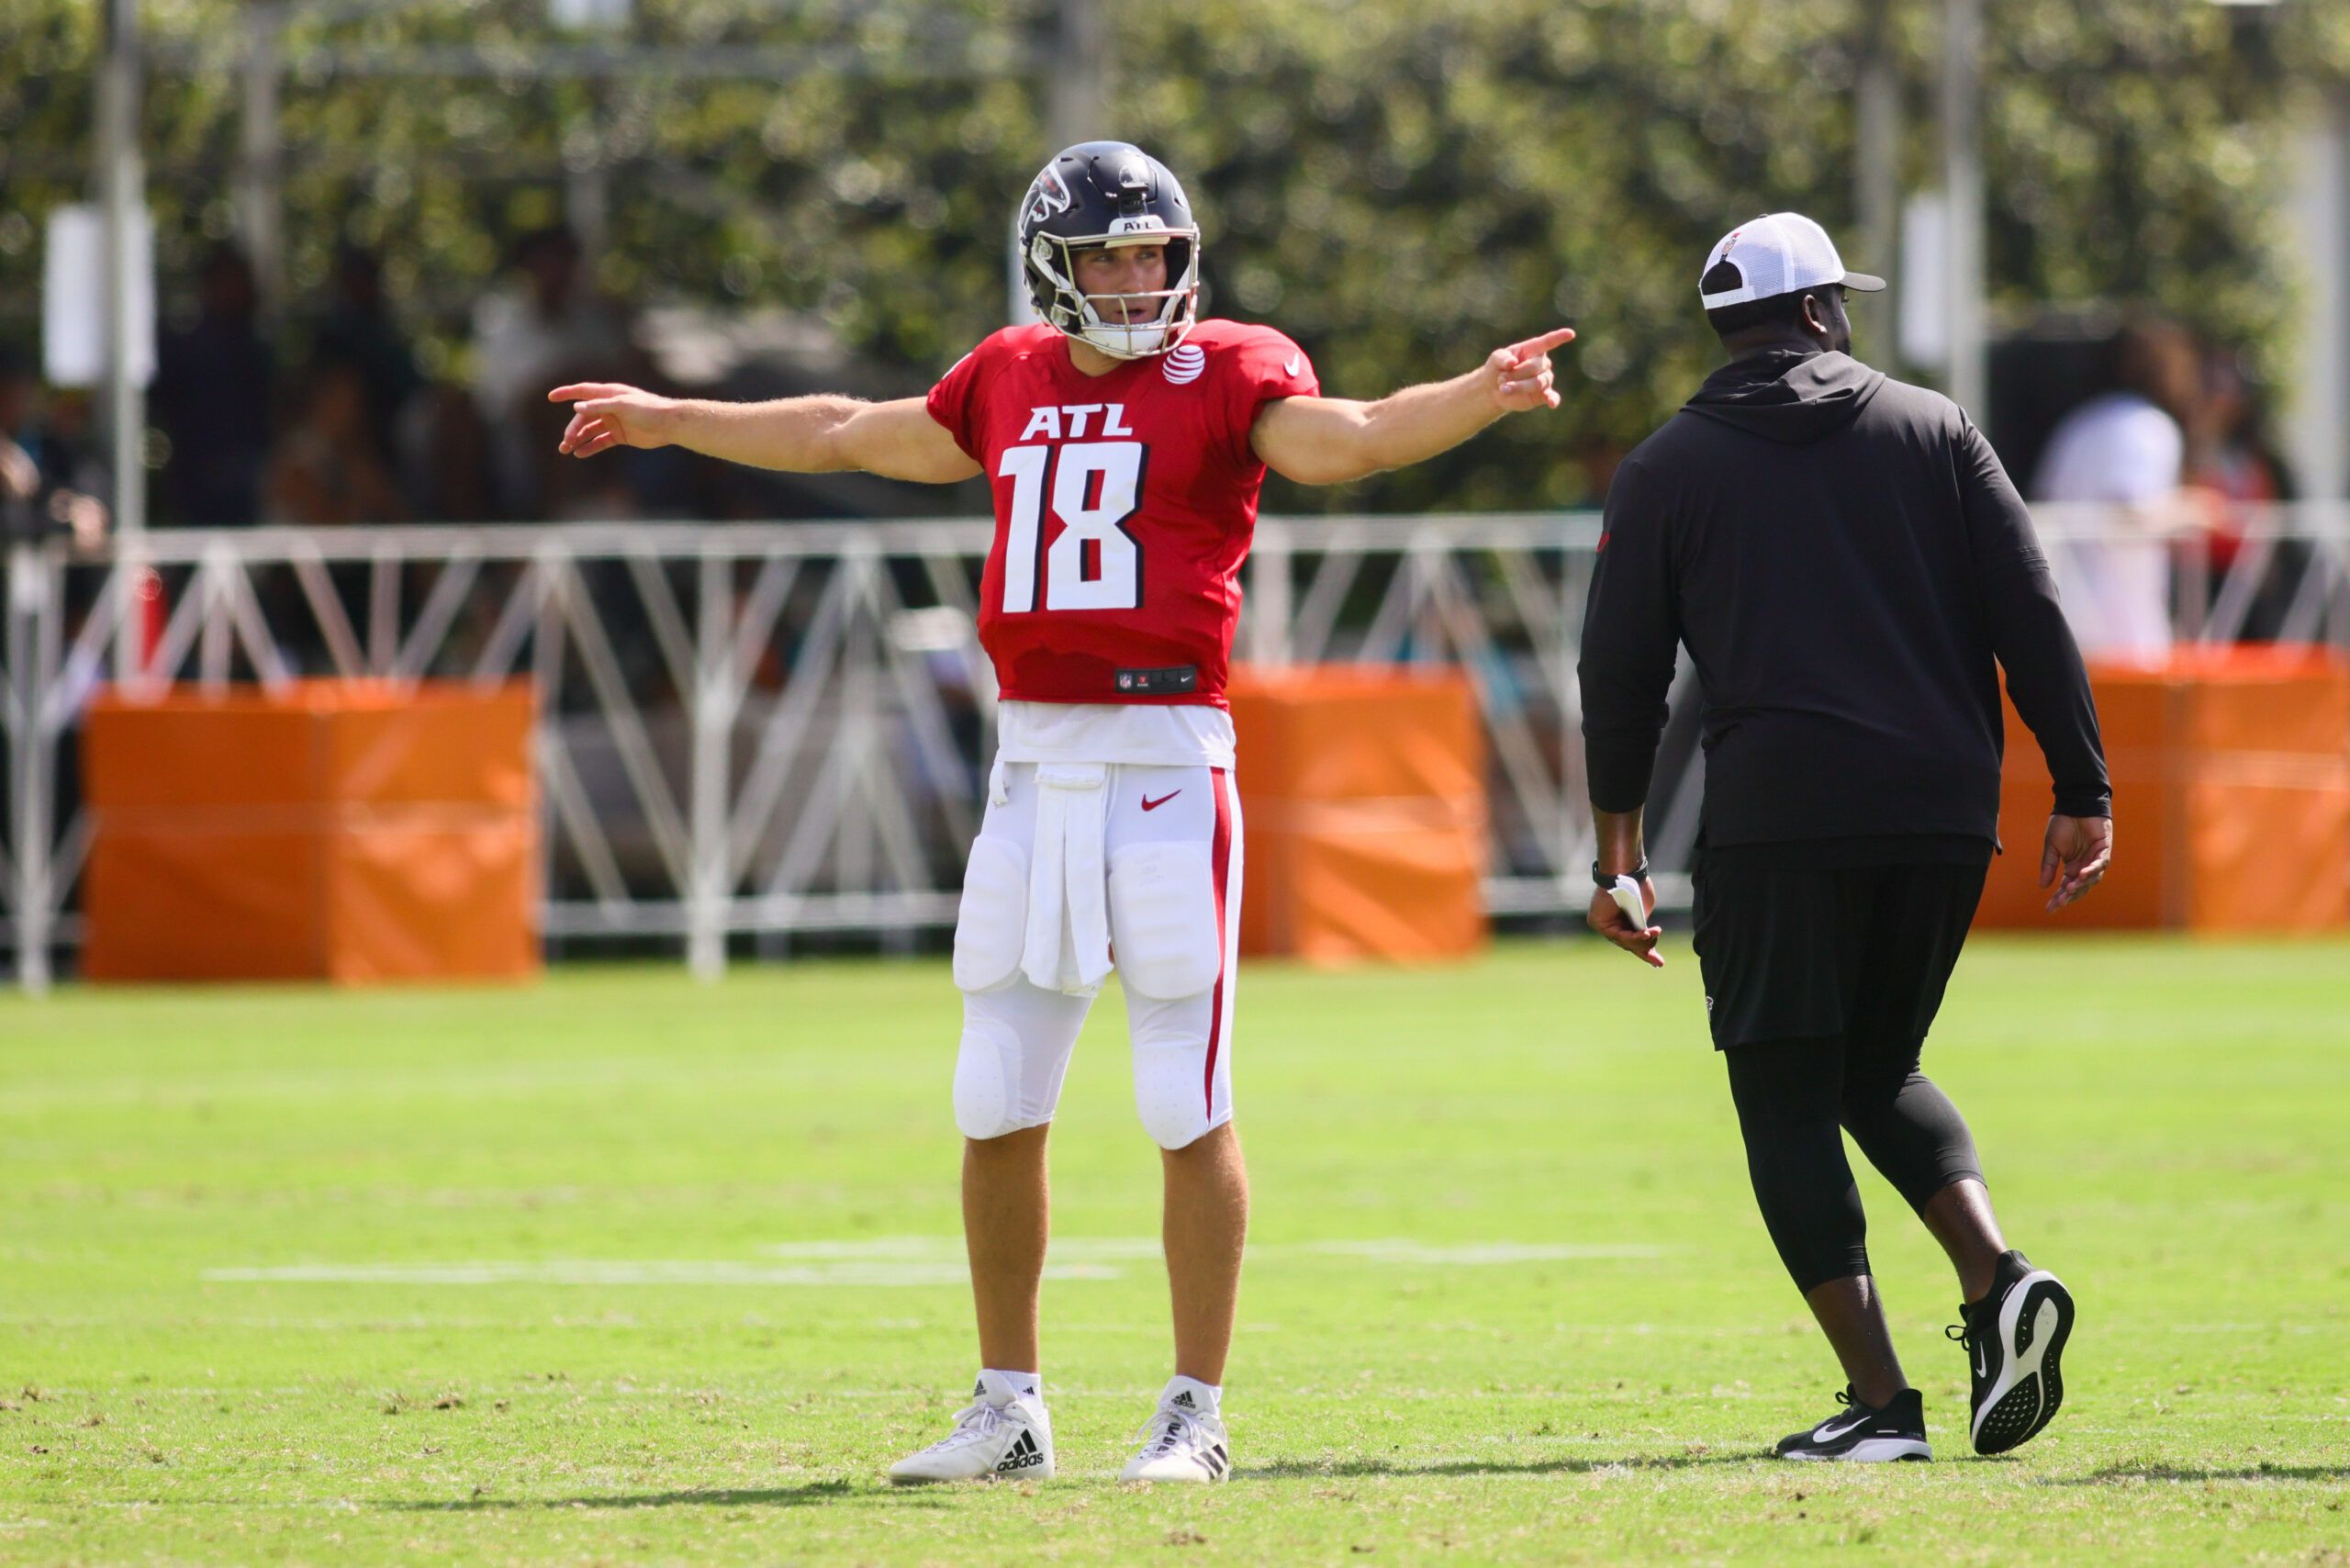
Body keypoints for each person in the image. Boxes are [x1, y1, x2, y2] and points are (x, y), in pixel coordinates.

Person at [550, 140, 1574, 1485]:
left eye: (1155, 252)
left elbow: (1359, 438)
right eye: (1112, 255)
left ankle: (1193, 1412)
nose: (1140, 277)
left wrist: (1482, 397)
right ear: (1058, 268)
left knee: (1180, 1095)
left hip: (1164, 759)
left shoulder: (1232, 369)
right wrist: (679, 417)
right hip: (1031, 768)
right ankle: (1008, 1408)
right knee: (995, 1094)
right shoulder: (1007, 375)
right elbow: (848, 430)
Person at [1578, 212, 2112, 1462]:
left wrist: (1618, 853)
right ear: (1819, 310)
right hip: (1941, 811)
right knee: (1875, 1064)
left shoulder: (1668, 465)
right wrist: (2081, 786)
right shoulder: (1934, 428)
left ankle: (1882, 1405)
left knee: (1781, 1089)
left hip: (1778, 816)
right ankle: (1996, 1284)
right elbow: (2029, 607)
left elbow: (1621, 676)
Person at [2031, 319, 2200, 663]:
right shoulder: (2149, 428)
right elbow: (2130, 513)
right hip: (2122, 634)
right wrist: (2195, 511)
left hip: (2064, 617)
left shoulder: (2079, 424)